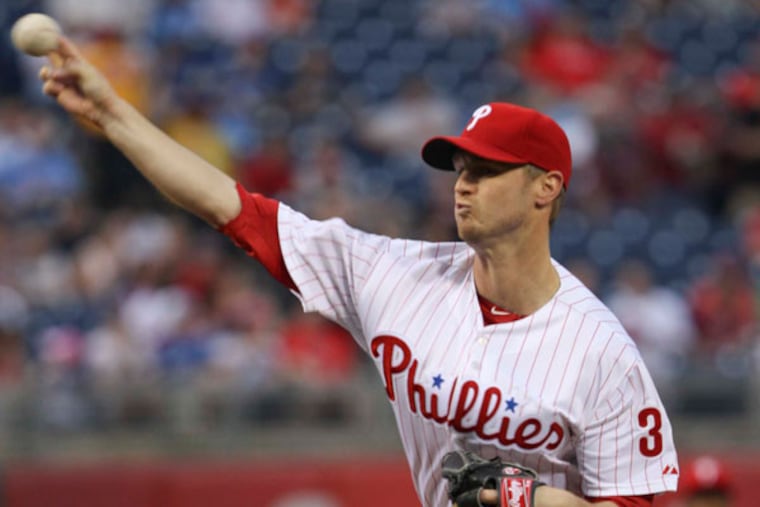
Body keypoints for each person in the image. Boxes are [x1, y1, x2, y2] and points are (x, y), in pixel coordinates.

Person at [39, 35, 678, 507]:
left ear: (546, 189)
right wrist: (114, 116)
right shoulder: (393, 275)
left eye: (486, 172)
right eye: (460, 170)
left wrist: (517, 495)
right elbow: (231, 208)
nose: (463, 187)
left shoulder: (601, 353)